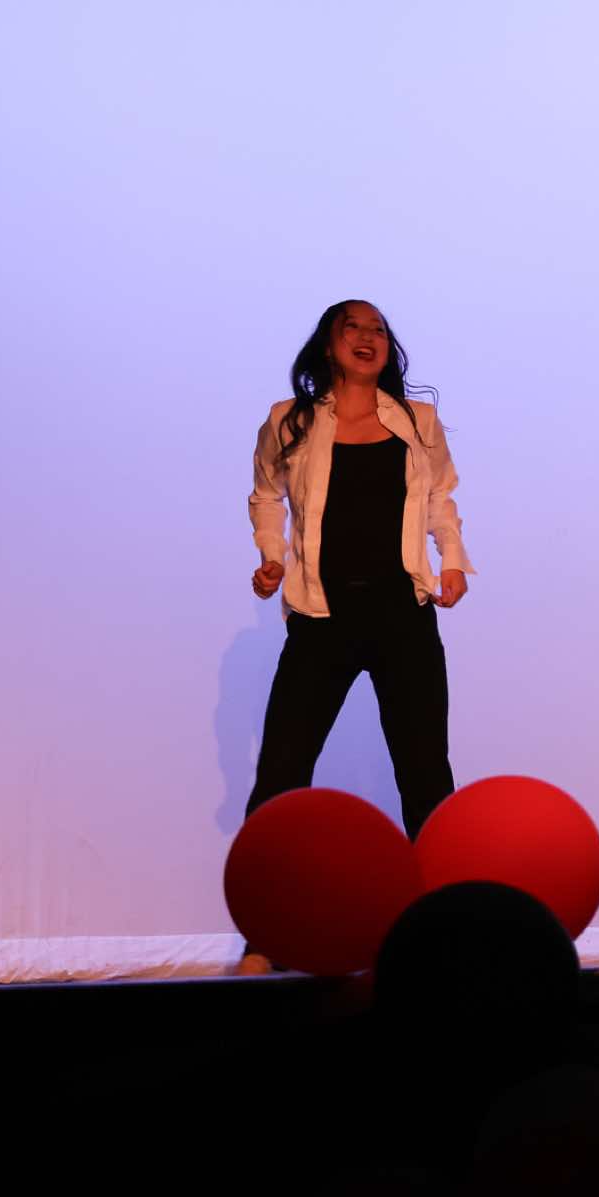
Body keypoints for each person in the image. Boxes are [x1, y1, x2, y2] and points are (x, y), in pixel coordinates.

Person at [244, 297, 473, 864]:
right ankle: (263, 909)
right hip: (322, 617)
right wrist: (272, 556)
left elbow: (440, 494)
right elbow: (266, 495)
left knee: (425, 774)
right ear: (329, 345)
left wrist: (451, 559)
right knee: (282, 772)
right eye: (353, 328)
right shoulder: (290, 420)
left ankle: (443, 904)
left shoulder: (417, 421)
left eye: (379, 330)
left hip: (403, 615)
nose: (368, 338)